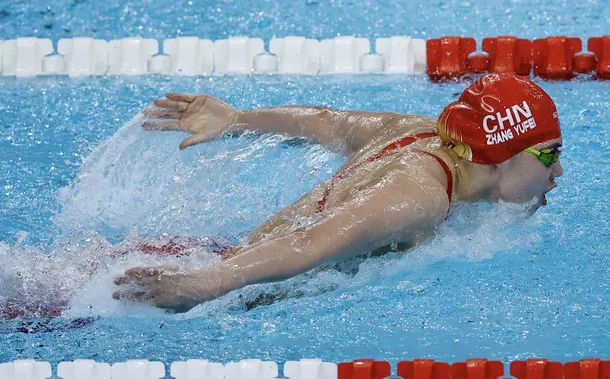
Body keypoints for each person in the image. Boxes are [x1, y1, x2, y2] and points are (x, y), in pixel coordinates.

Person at [113, 73, 563, 313]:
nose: (558, 170)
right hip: (207, 284)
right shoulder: (418, 198)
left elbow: (327, 122)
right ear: (499, 153)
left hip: (206, 256)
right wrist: (202, 284)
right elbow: (311, 242)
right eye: (547, 155)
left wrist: (238, 119)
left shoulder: (416, 132)